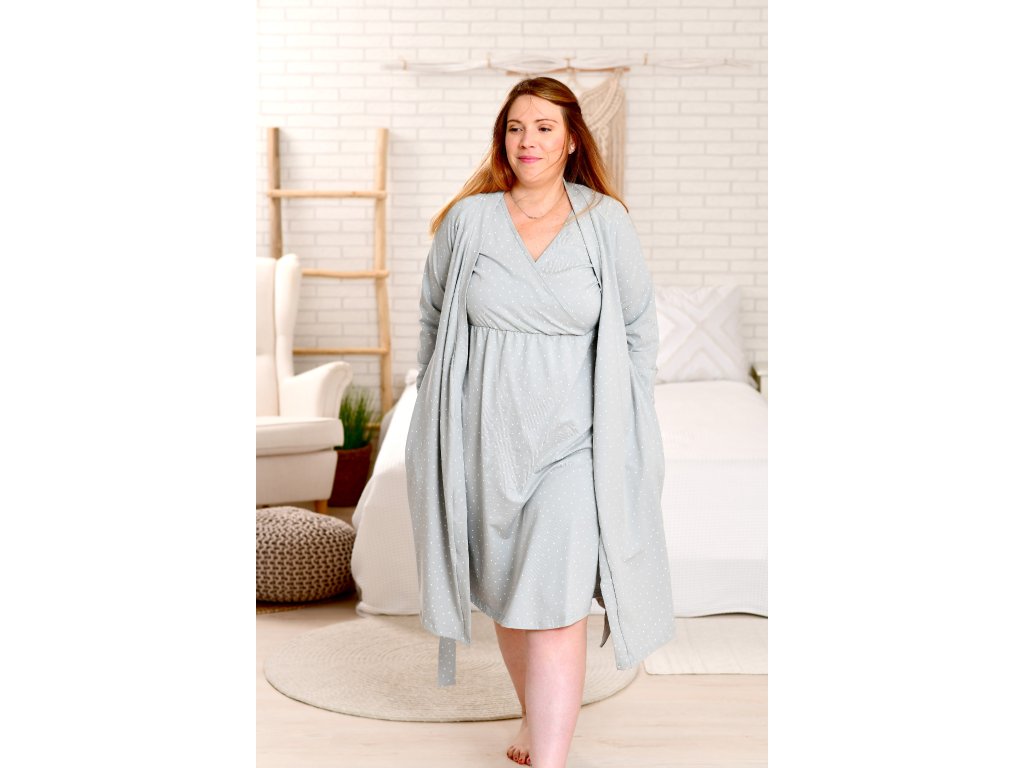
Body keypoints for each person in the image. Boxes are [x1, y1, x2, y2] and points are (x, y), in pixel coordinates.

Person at [405, 76, 675, 768]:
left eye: (544, 127)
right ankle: (536, 716)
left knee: (556, 603)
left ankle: (550, 756)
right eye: (516, 127)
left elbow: (639, 328)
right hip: (483, 441)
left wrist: (627, 413)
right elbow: (433, 319)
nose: (528, 140)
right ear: (503, 139)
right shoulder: (468, 221)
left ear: (572, 140)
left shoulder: (604, 223)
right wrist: (433, 402)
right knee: (509, 594)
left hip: (573, 446)